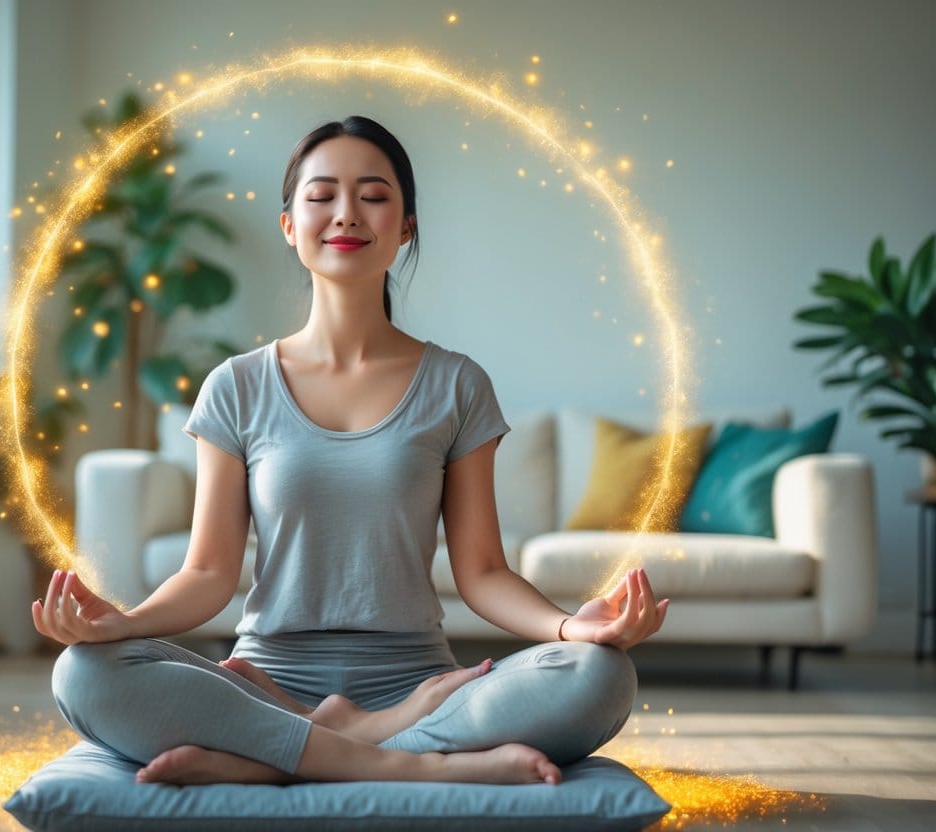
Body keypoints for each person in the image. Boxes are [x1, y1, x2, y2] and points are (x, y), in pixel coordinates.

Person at [32, 115, 669, 787]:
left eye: (372, 195)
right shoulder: (236, 386)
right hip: (263, 682)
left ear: (406, 227)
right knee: (84, 673)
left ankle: (278, 756)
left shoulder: (456, 384)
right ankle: (404, 762)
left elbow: (482, 572)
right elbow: (209, 573)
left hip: (416, 684)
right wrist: (125, 624)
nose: (346, 214)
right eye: (321, 196)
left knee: (600, 675)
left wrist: (571, 631)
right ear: (289, 225)